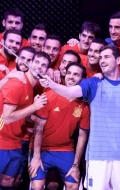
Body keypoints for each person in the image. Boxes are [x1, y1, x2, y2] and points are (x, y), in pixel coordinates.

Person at [39, 45, 120, 190]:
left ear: (118, 59)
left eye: (106, 57)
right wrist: (51, 84)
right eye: (100, 58)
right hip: (97, 155)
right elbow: (69, 92)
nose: (102, 60)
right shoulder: (93, 83)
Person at [29, 62, 89, 190]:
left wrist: (76, 165)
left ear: (83, 80)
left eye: (76, 74)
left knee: (73, 185)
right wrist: (36, 156)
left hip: (65, 149)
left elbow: (82, 136)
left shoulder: (84, 105)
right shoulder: (49, 95)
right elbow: (38, 129)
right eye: (69, 73)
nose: (71, 77)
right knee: (37, 185)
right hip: (43, 149)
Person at [0, 51, 50, 189]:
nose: (39, 67)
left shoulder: (30, 87)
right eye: (37, 62)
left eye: (44, 65)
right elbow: (8, 117)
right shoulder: (17, 83)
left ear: (47, 70)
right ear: (30, 63)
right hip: (2, 142)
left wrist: (37, 119)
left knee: (9, 182)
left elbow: (20, 113)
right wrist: (34, 107)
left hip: (15, 141)